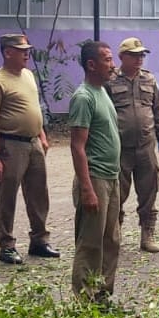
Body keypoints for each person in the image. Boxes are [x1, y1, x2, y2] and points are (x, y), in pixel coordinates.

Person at [0, 33, 59, 264]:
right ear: (8, 52)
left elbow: (34, 108)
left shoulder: (27, 75)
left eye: (27, 49)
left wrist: (42, 135)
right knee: (7, 196)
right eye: (22, 50)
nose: (27, 54)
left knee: (38, 193)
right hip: (10, 145)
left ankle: (39, 240)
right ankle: (6, 245)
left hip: (33, 142)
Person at [67, 41, 123, 300]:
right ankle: (84, 297)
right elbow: (78, 147)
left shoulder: (103, 92)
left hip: (112, 178)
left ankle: (102, 293)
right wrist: (87, 188)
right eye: (108, 60)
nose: (113, 65)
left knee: (111, 239)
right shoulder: (84, 97)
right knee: (91, 242)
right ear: (92, 64)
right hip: (96, 179)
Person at [105, 37, 159, 253]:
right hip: (119, 148)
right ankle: (115, 234)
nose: (140, 59)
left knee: (149, 190)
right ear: (122, 57)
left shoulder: (149, 80)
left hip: (145, 145)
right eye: (135, 55)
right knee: (117, 193)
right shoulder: (110, 81)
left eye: (142, 55)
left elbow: (158, 108)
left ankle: (147, 234)